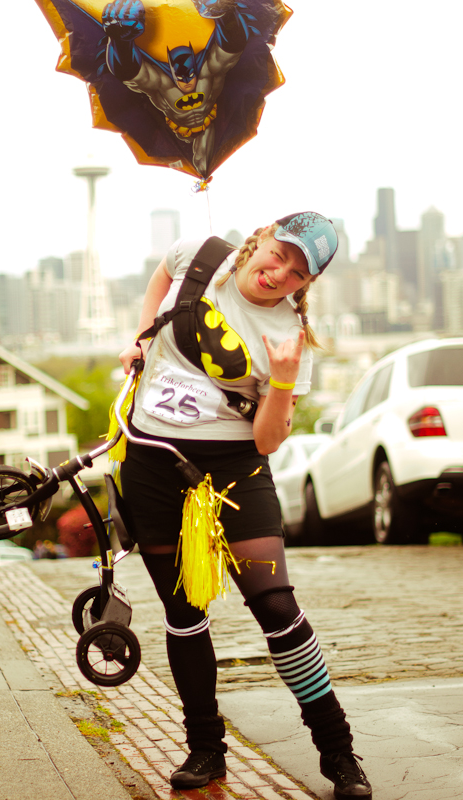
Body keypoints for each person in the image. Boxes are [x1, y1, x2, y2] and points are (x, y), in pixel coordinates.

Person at [118, 212, 372, 799]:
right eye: (279, 254)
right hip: (151, 458)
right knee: (182, 615)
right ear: (261, 238)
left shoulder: (288, 339)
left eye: (297, 272)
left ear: (306, 285)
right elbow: (162, 273)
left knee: (276, 606)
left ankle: (339, 753)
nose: (279, 272)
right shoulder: (198, 254)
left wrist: (281, 381)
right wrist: (140, 334)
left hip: (234, 469)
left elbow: (266, 440)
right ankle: (205, 748)